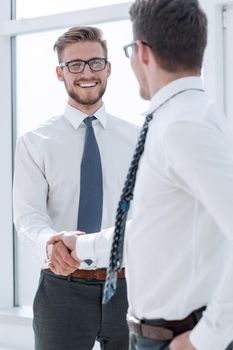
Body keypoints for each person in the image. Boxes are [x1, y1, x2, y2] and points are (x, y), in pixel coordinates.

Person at [51, 1, 233, 350]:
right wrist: (84, 244)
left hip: (176, 338)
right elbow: (157, 226)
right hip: (159, 334)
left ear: (142, 52)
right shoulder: (172, 119)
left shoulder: (184, 125)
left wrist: (204, 339)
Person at [13, 26, 139, 350]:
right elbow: (28, 216)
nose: (87, 73)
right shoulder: (34, 142)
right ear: (60, 73)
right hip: (62, 290)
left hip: (130, 288)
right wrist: (50, 245)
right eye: (75, 65)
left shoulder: (139, 140)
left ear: (109, 68)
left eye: (96, 63)